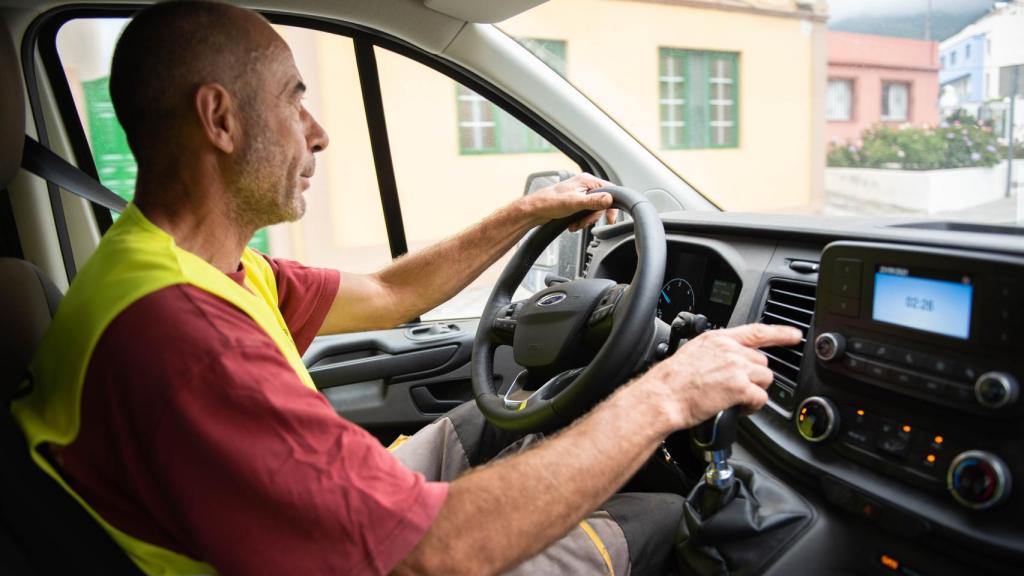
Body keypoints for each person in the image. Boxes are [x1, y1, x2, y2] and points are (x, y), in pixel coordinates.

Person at [11, 2, 801, 574]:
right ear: (220, 119)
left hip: (300, 517)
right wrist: (668, 394)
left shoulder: (187, 265)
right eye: (294, 98)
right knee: (662, 514)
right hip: (380, 557)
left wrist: (525, 214)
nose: (316, 130)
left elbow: (391, 294)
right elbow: (442, 552)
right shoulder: (184, 341)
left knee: (516, 419)